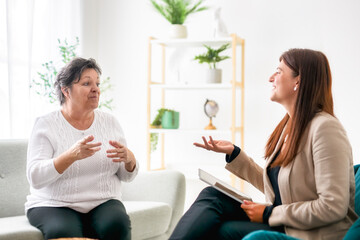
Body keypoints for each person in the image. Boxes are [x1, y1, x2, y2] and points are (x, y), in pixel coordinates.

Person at [169, 48, 357, 240]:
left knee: (223, 230)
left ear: (297, 81)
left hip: (309, 233)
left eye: (278, 71)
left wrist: (269, 214)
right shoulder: (289, 127)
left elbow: (332, 206)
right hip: (287, 223)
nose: (270, 78)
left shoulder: (326, 128)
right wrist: (235, 154)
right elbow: (278, 190)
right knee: (212, 196)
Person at [26, 57, 139, 240]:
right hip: (54, 204)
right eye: (86, 83)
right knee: (63, 233)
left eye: (97, 83)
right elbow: (35, 177)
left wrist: (130, 160)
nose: (95, 89)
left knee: (117, 226)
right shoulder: (45, 124)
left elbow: (126, 176)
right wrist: (71, 155)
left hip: (103, 202)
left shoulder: (110, 122)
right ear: (66, 90)